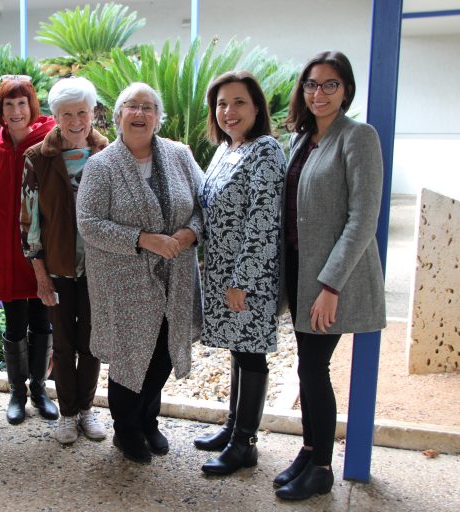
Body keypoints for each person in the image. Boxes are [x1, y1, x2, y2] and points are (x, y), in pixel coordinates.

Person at [274, 51, 385, 500]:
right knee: (306, 369)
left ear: (346, 90)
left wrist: (330, 285)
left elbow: (362, 218)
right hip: (300, 273)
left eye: (330, 85)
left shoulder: (358, 137)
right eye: (312, 85)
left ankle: (321, 468)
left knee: (315, 370)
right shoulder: (304, 138)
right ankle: (308, 449)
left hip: (331, 279)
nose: (319, 93)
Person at [77, 82, 203, 463]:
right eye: (131, 106)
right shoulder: (102, 165)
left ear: (158, 118)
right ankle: (126, 430)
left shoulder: (180, 156)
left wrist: (189, 233)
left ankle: (149, 420)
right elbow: (89, 223)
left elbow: (204, 202)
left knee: (164, 352)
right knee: (132, 358)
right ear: (117, 117)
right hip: (124, 283)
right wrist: (143, 239)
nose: (140, 113)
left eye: (148, 107)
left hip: (176, 278)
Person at [193, 71, 287, 475]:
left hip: (248, 276)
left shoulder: (265, 150)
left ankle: (245, 443)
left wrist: (241, 281)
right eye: (221, 104)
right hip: (221, 273)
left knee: (251, 353)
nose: (228, 112)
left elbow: (263, 221)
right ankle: (233, 428)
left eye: (239, 103)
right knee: (238, 348)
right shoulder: (227, 149)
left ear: (257, 108)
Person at [20, 76, 109, 444]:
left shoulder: (108, 154)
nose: (75, 121)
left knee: (92, 342)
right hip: (57, 268)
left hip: (99, 269)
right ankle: (67, 413)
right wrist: (40, 274)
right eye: (67, 113)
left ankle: (87, 410)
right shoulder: (37, 159)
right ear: (55, 116)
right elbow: (28, 223)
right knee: (64, 344)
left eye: (82, 112)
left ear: (93, 113)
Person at [0, 76, 58, 425]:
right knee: (13, 323)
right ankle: (17, 391)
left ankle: (40, 389)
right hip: (3, 251)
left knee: (41, 320)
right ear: (0, 109)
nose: (15, 111)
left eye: (22, 103)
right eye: (9, 104)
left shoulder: (48, 143)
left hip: (40, 251)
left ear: (32, 107)